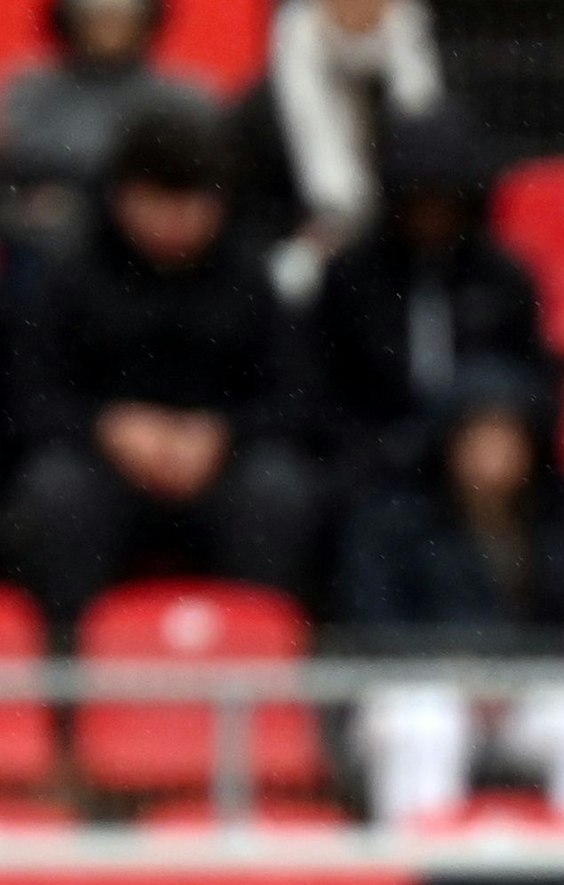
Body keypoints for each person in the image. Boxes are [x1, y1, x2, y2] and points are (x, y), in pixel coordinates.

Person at [3, 106, 319, 629]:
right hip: (100, 467)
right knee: (52, 496)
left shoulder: (250, 276)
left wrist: (222, 434)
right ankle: (66, 681)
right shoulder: (68, 274)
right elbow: (30, 397)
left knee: (279, 493)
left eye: (197, 202)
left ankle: (264, 675)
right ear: (123, 195)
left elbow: (296, 397)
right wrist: (108, 428)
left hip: (222, 467)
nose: (181, 221)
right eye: (162, 201)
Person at [337, 372, 564, 836]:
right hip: (422, 689)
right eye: (480, 437)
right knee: (420, 725)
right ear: (450, 442)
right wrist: (450, 667)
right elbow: (370, 621)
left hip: (527, 691)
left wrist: (518, 673)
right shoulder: (394, 523)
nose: (495, 453)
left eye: (508, 437)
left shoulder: (558, 519)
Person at [312, 106, 557, 483]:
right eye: (418, 203)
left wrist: (491, 434)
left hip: (482, 466)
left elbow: (534, 383)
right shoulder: (351, 278)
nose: (432, 217)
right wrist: (377, 448)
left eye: (445, 202)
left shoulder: (504, 280)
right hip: (370, 463)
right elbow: (321, 388)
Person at [233, 0, 445, 302]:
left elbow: (443, 194)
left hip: (400, 280)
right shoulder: (263, 108)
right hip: (302, 280)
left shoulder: (427, 79)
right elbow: (250, 212)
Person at [0, 0, 210, 282]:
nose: (108, 28)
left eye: (120, 16)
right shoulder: (28, 97)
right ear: (68, 18)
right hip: (48, 257)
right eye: (95, 17)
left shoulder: (185, 101)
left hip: (160, 263)